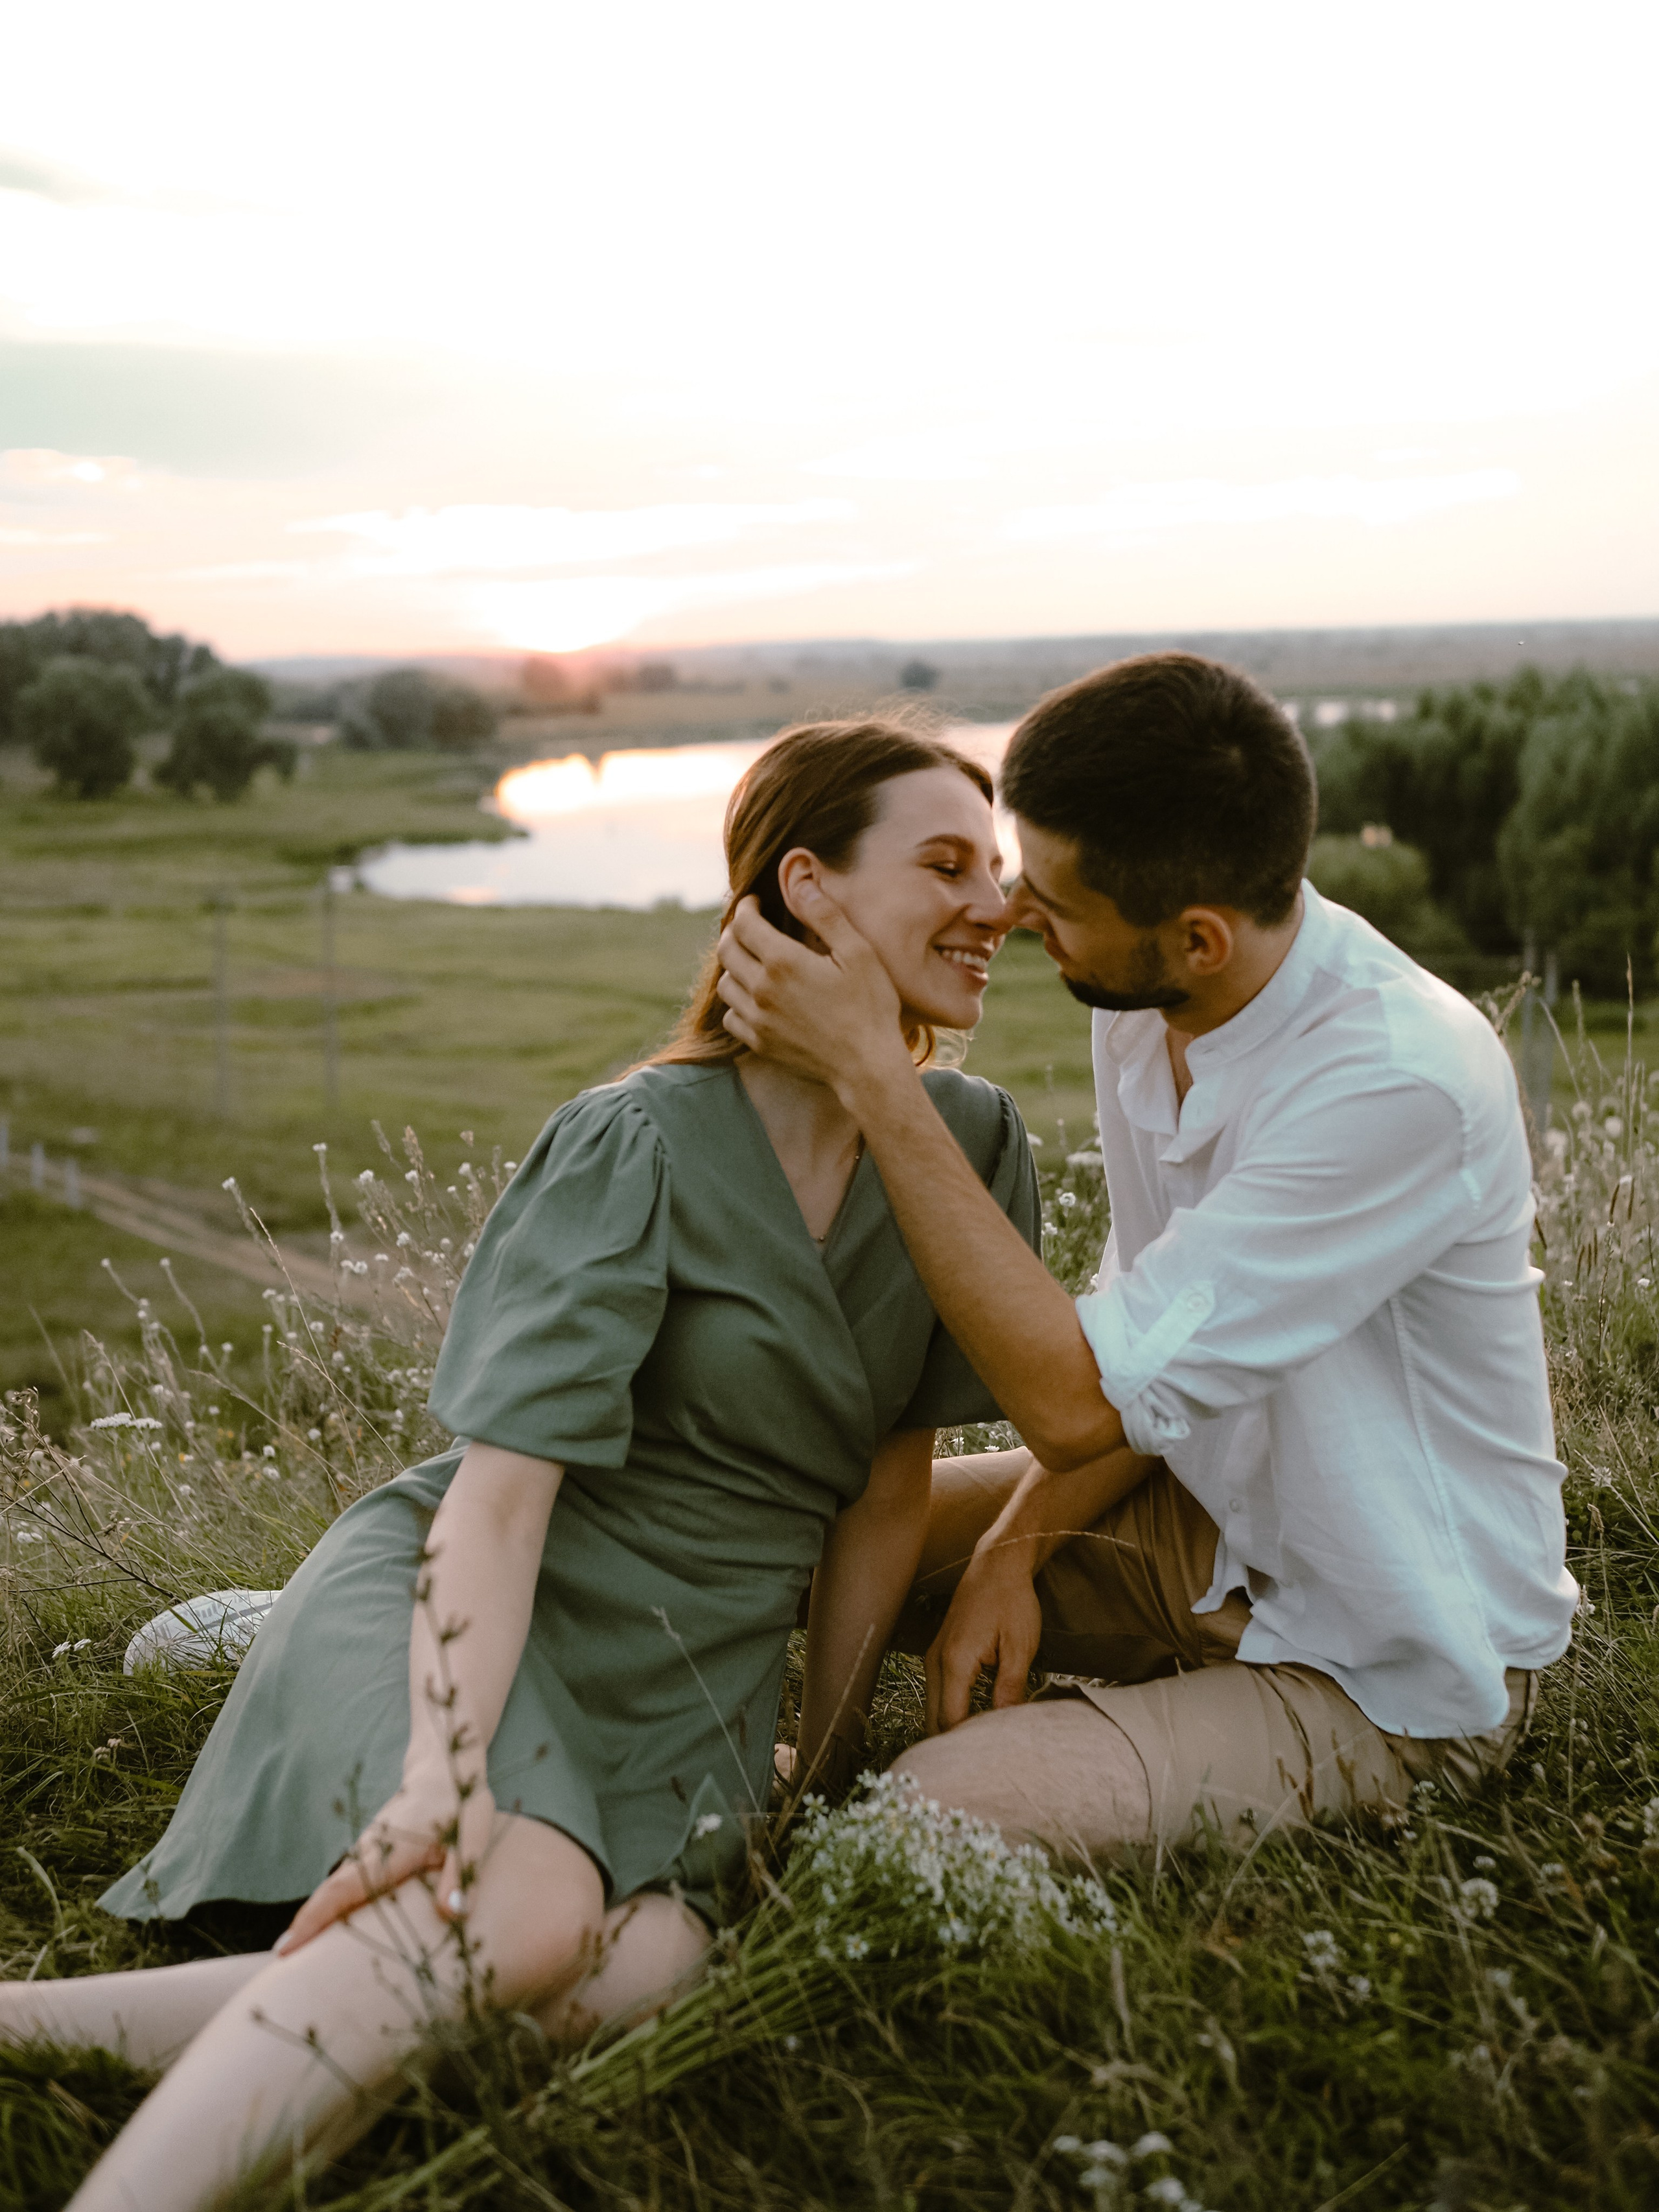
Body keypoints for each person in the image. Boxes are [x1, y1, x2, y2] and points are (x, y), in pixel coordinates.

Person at [0, 720, 1039, 2212]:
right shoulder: (632, 1141)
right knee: (528, 1908)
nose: (994, 905)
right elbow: (495, 1501)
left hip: (692, 1685)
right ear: (808, 888)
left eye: (994, 870)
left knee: (627, 1979)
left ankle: (30, 2027)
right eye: (946, 866)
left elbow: (887, 1486)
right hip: (488, 1606)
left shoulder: (969, 1143)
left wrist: (813, 1770)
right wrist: (442, 1784)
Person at [718, 652, 1578, 1860]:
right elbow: (1138, 1356)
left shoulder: (1395, 1082)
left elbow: (1075, 1401)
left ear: (1198, 939)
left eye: (1054, 901)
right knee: (793, 1529)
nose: (1011, 914)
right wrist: (1012, 1550)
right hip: (1205, 1520)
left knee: (931, 1808)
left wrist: (874, 1070)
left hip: (1391, 1647)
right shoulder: (1147, 1007)